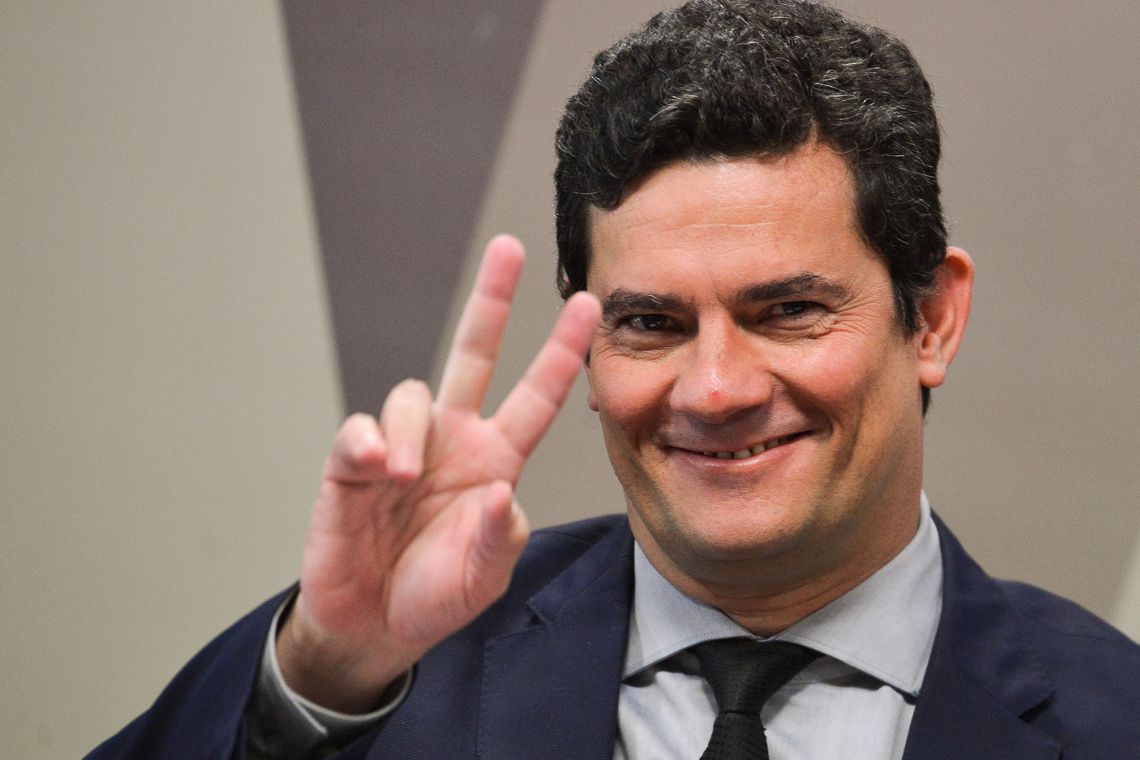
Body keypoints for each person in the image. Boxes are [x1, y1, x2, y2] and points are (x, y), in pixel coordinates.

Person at [89, 1, 1139, 758]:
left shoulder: (1115, 716)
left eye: (788, 311)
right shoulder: (387, 672)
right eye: (650, 323)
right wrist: (320, 674)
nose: (714, 389)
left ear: (933, 318)